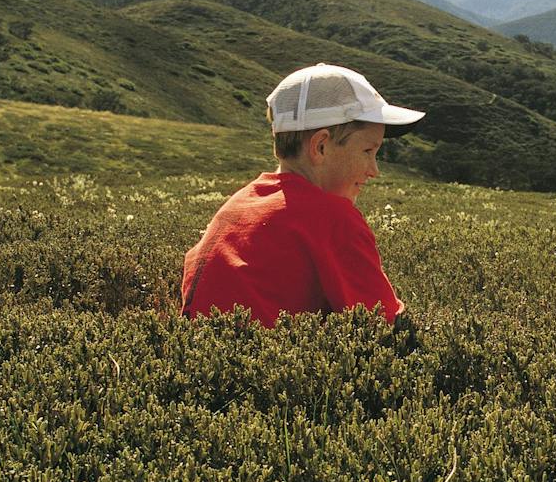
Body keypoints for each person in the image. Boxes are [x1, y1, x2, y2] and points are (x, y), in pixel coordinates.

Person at [181, 63, 424, 326]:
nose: (374, 170)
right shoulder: (332, 218)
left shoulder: (238, 205)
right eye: (368, 151)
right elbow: (386, 324)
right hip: (271, 364)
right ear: (320, 146)